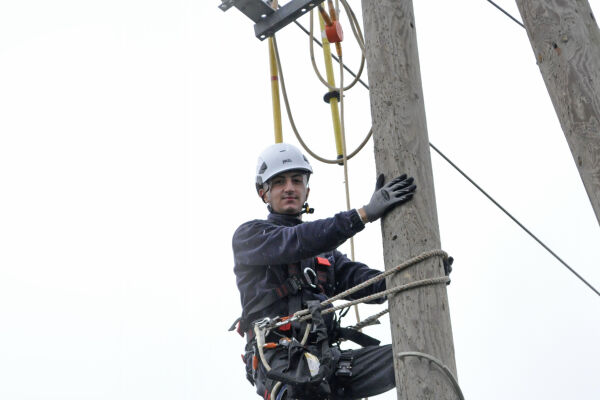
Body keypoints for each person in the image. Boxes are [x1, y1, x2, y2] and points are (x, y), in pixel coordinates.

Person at [231, 143, 417, 400]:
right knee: (306, 389)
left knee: (414, 357)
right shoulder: (250, 237)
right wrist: (362, 215)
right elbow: (298, 240)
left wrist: (420, 270)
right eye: (279, 182)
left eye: (297, 181)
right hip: (283, 366)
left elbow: (373, 286)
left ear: (307, 190)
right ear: (263, 192)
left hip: (327, 361)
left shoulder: (325, 258)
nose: (289, 188)